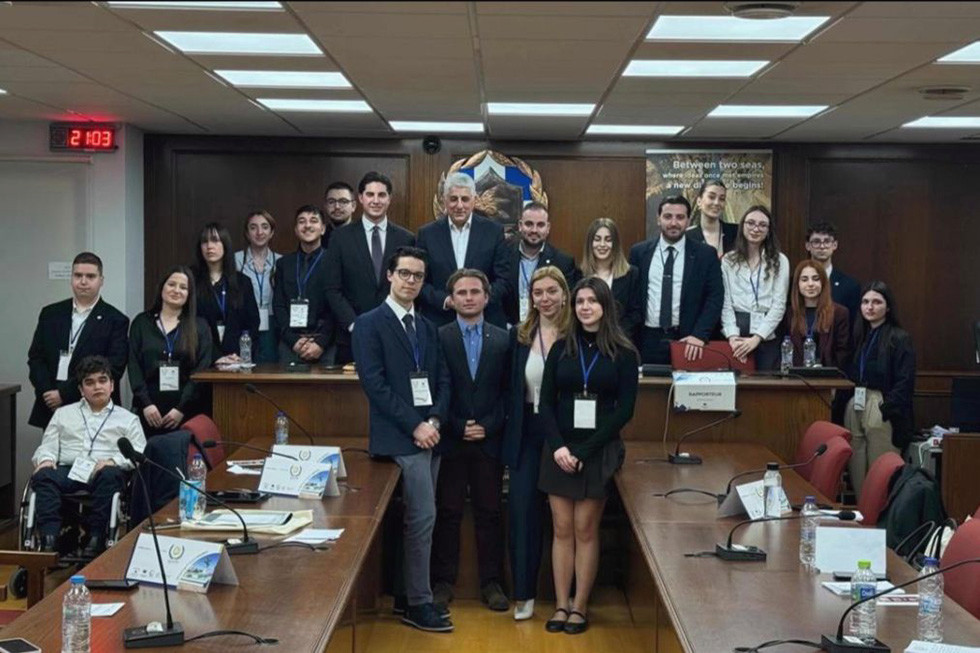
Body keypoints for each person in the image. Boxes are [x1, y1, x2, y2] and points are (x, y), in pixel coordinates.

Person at [351, 246, 452, 633]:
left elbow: (443, 379)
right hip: (399, 438)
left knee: (422, 518)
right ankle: (418, 603)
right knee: (422, 518)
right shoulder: (369, 324)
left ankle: (406, 596)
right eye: (405, 273)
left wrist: (435, 419)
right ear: (390, 275)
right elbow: (375, 386)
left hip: (431, 434)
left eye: (418, 276)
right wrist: (415, 426)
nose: (411, 281)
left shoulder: (427, 327)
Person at [539, 277, 639, 635]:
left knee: (585, 528)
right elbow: (546, 403)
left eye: (592, 301)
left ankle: (580, 606)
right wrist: (559, 448)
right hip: (560, 450)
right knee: (561, 528)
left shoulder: (624, 353)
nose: (585, 307)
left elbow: (624, 410)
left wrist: (584, 450)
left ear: (605, 306)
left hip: (598, 450)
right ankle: (561, 604)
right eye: (580, 301)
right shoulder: (561, 347)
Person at [431, 269, 510, 612]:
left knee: (489, 513)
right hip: (451, 438)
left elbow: (508, 391)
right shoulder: (438, 336)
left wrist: (488, 426)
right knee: (447, 512)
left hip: (489, 441)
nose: (468, 298)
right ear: (452, 299)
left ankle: (492, 583)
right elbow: (436, 388)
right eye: (461, 292)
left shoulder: (503, 339)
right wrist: (457, 424)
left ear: (486, 297)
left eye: (474, 292)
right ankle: (442, 583)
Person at [502, 265, 572, 621]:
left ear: (564, 294)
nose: (545, 299)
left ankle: (568, 598)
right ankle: (524, 594)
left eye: (551, 291)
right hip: (527, 432)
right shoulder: (520, 335)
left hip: (565, 433)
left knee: (565, 519)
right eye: (538, 293)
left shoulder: (577, 334)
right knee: (522, 512)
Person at [30, 355, 146, 556]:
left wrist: (113, 461)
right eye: (90, 382)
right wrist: (46, 459)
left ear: (112, 385)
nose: (97, 387)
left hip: (104, 473)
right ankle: (50, 538)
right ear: (81, 389)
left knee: (111, 475)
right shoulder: (63, 414)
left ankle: (96, 537)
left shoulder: (129, 419)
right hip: (68, 470)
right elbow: (47, 445)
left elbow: (139, 453)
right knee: (42, 475)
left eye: (102, 380)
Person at [28, 252, 129, 429]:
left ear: (101, 280)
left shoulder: (116, 320)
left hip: (94, 408)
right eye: (78, 275)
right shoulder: (50, 313)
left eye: (90, 276)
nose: (83, 281)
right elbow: (36, 358)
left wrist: (64, 394)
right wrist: (48, 392)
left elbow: (114, 367)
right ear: (71, 278)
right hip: (51, 405)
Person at [325, 171, 415, 364]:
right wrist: (354, 324)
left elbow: (411, 286)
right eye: (370, 195)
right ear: (360, 198)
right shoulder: (340, 238)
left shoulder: (406, 238)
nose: (376, 200)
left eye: (381, 195)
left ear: (389, 199)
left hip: (395, 333)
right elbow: (332, 289)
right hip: (351, 336)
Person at [629, 195, 723, 364]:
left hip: (689, 340)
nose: (673, 223)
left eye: (680, 217)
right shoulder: (639, 253)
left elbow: (715, 297)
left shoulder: (705, 255)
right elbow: (632, 297)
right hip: (646, 339)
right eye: (667, 216)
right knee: (649, 382)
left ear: (688, 221)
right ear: (658, 219)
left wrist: (699, 334)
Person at [844, 281, 915, 496]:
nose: (870, 307)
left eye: (877, 302)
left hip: (881, 405)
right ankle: (862, 510)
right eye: (865, 302)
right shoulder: (860, 335)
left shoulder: (899, 338)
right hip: (857, 401)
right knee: (857, 470)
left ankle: (880, 513)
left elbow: (905, 382)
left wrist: (886, 408)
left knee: (880, 472)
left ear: (888, 307)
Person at [128, 266, 213, 436]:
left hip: (186, 413)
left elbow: (201, 371)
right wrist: (146, 404)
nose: (176, 290)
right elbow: (134, 366)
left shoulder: (200, 326)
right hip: (148, 411)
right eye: (171, 284)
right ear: (162, 287)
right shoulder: (141, 323)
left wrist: (181, 408)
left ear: (189, 294)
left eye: (183, 287)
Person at [416, 173, 509, 327]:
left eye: (465, 199)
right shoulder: (427, 234)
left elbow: (504, 279)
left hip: (486, 321)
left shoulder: (493, 232)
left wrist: (479, 300)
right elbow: (420, 279)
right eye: (453, 199)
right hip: (439, 321)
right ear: (444, 200)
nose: (459, 205)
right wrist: (446, 300)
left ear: (474, 200)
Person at [720, 206, 790, 370]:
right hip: (735, 333)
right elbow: (725, 303)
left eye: (762, 225)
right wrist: (733, 336)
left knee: (766, 383)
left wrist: (757, 337)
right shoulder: (729, 260)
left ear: (769, 230)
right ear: (742, 226)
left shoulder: (780, 260)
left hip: (767, 334)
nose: (756, 229)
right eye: (750, 223)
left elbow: (779, 304)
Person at [272, 205, 336, 365]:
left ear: (323, 229)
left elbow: (337, 305)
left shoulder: (334, 261)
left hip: (325, 344)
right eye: (302, 221)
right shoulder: (284, 264)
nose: (307, 225)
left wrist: (321, 343)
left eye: (313, 221)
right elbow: (279, 305)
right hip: (291, 344)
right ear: (296, 229)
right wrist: (293, 341)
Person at [193, 222, 259, 365]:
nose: (209, 246)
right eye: (204, 242)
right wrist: (215, 356)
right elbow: (188, 323)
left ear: (225, 245)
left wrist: (239, 354)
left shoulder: (242, 282)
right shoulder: (191, 280)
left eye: (215, 241)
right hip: (202, 358)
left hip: (237, 358)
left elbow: (252, 323)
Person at [503, 202, 578, 326]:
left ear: (548, 228)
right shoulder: (503, 256)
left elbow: (566, 304)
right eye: (529, 224)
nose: (534, 230)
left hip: (547, 329)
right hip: (508, 329)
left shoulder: (563, 262)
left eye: (540, 225)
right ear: (520, 226)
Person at [579, 217, 642, 339]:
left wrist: (613, 336)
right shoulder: (580, 274)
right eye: (597, 239)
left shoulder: (631, 274)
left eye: (608, 240)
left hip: (620, 340)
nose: (602, 245)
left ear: (616, 244)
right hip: (587, 340)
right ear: (590, 244)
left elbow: (635, 314)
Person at [783, 260, 850, 369]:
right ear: (797, 284)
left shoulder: (840, 313)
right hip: (795, 375)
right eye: (804, 279)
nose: (810, 284)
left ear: (823, 282)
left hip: (828, 375)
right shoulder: (788, 313)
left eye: (816, 279)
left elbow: (842, 351)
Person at [234, 210, 281, 363]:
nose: (259, 232)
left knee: (270, 367)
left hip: (273, 323)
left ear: (271, 232)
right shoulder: (235, 261)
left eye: (265, 227)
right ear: (247, 233)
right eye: (253, 227)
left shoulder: (281, 262)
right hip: (244, 323)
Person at [804, 222, 862, 324]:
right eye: (816, 242)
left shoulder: (850, 286)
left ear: (835, 245)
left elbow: (852, 323)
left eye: (827, 241)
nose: (822, 246)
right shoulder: (795, 283)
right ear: (808, 246)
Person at [686, 179, 736, 258]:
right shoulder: (687, 236)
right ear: (699, 201)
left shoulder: (737, 233)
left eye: (722, 199)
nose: (716, 203)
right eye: (711, 197)